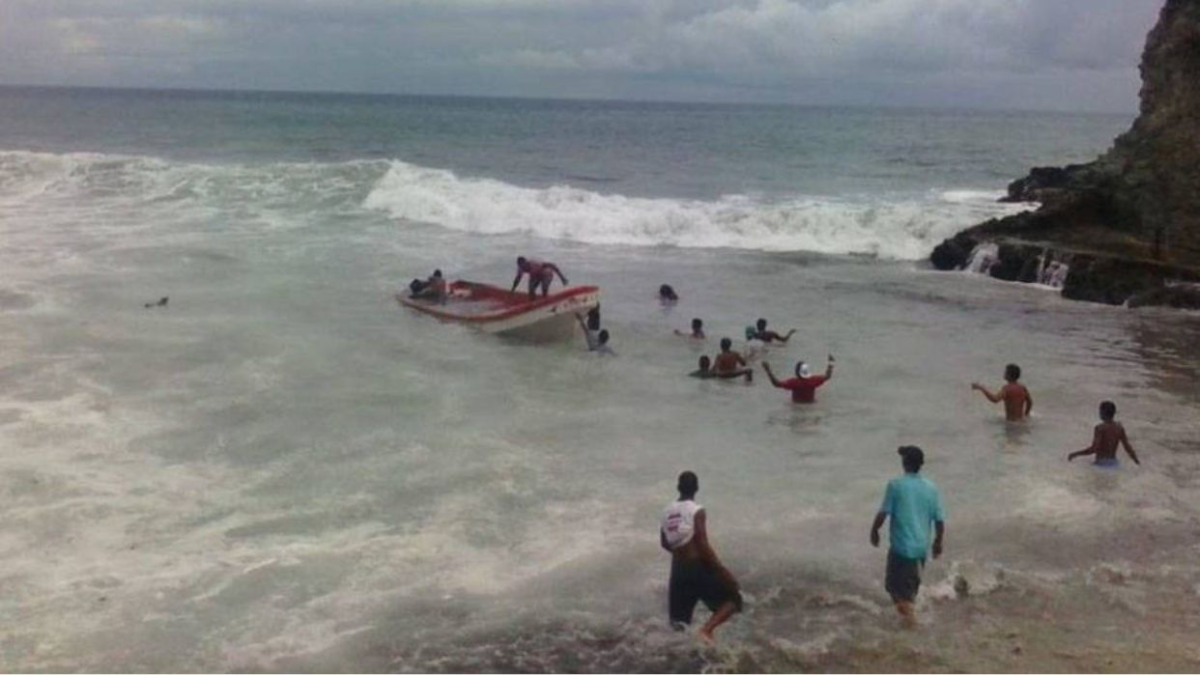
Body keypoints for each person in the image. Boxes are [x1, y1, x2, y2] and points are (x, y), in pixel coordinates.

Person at [660, 471, 742, 644]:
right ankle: (706, 630)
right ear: (697, 488)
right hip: (696, 566)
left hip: (677, 572)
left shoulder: (666, 511)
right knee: (733, 600)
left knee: (678, 627)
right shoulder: (697, 510)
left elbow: (665, 543)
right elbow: (702, 544)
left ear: (678, 487)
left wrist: (682, 554)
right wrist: (722, 571)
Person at [870, 446, 945, 628]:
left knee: (895, 590)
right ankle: (909, 620)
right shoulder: (931, 488)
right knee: (907, 590)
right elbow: (939, 520)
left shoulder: (896, 485)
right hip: (920, 549)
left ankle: (912, 628)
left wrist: (874, 530)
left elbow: (883, 513)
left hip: (902, 549)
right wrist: (937, 542)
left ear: (904, 463)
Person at [1068, 401, 1141, 467]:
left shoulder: (1100, 428)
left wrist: (1075, 454)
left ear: (1102, 412)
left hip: (1101, 464)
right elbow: (1127, 448)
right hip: (1114, 464)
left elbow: (1094, 449)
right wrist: (1137, 461)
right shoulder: (1119, 428)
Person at [762, 355, 835, 403]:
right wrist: (830, 363)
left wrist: (768, 370)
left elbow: (776, 384)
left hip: (797, 408)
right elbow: (827, 376)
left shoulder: (794, 382)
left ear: (797, 372)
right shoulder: (813, 380)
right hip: (811, 406)